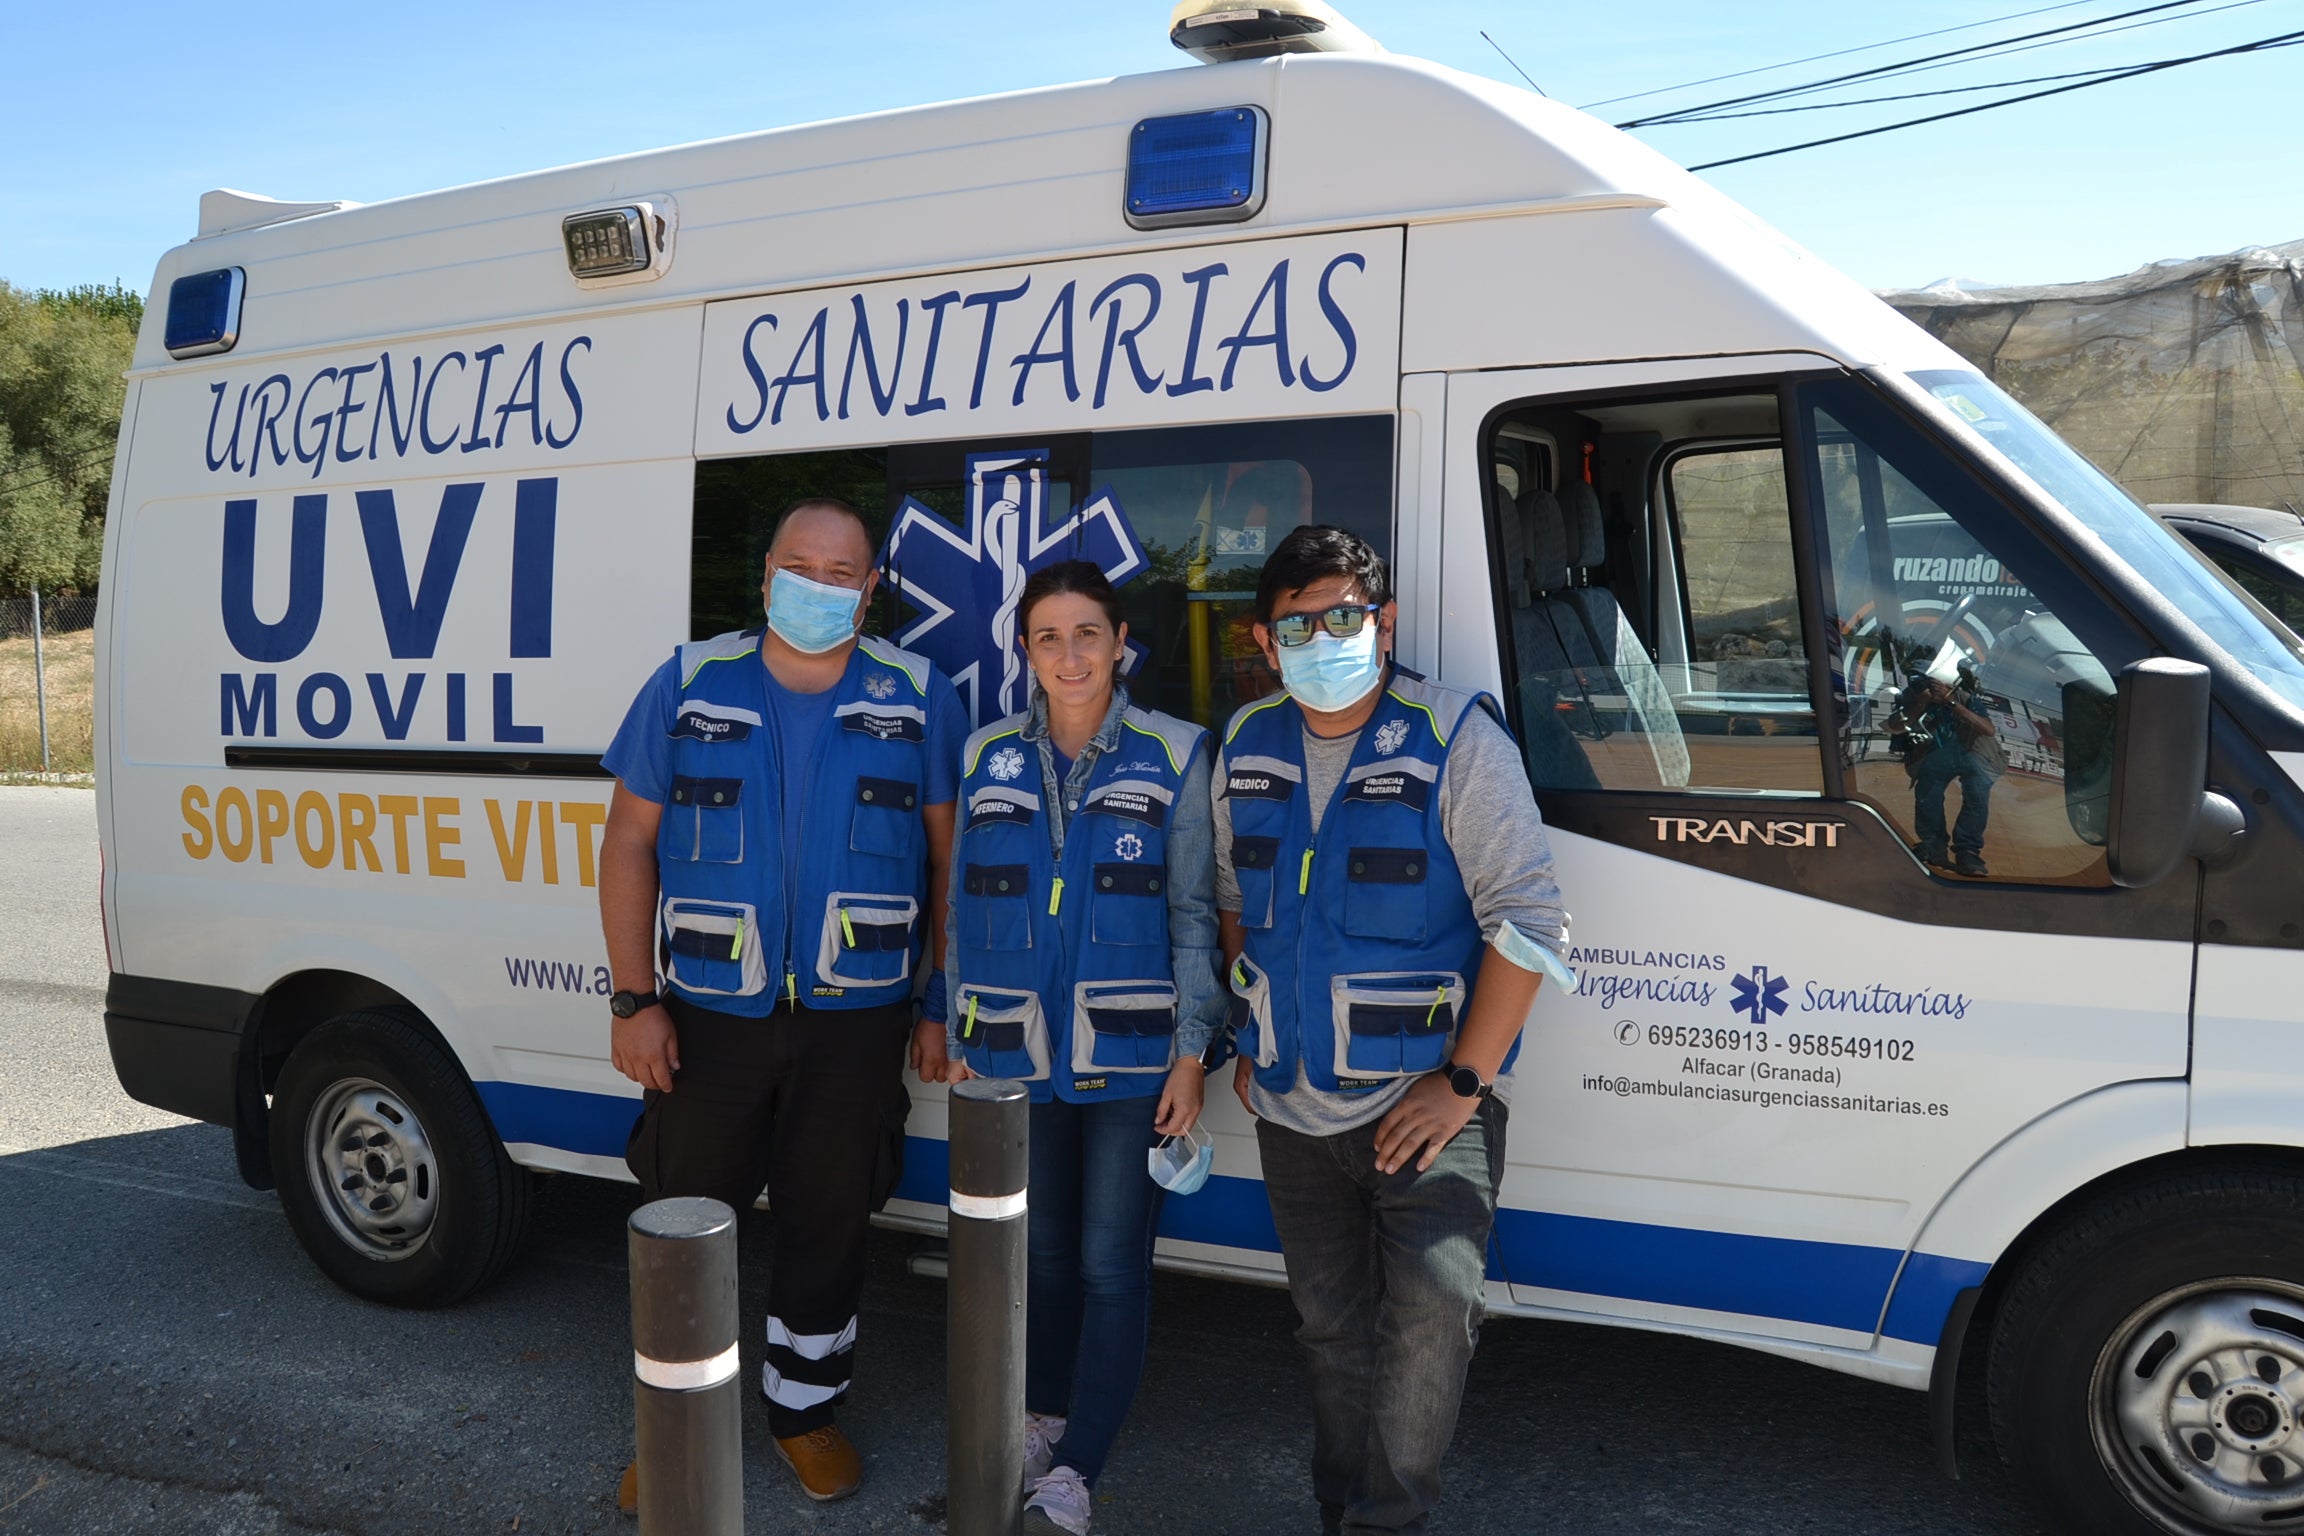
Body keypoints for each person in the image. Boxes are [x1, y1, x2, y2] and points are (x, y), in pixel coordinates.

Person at [596, 497, 967, 1505]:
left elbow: (951, 860)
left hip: (859, 1022)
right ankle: (672, 1421)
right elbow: (628, 843)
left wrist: (937, 1002)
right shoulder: (688, 684)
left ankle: (804, 1410)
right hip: (709, 1017)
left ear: (869, 589)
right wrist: (635, 1001)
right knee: (683, 1222)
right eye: (799, 566)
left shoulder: (920, 695)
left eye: (841, 572)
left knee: (830, 1220)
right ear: (765, 578)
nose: (818, 585)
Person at [1212, 525, 1571, 1536]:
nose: (1326, 637)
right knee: (1330, 1335)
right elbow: (1239, 902)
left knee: (1425, 1339)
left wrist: (1461, 1082)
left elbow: (1530, 922)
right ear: (1265, 637)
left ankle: (1386, 1524)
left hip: (1429, 1113)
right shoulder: (1246, 744)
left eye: (1345, 616)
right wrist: (1253, 1028)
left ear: (1384, 621)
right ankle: (1340, 1509)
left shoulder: (1454, 735)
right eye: (1300, 623)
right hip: (1292, 1111)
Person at [940, 560, 1222, 1536]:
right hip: (1014, 1055)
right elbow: (959, 908)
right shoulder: (984, 755)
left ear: (1120, 644)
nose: (1070, 654)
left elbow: (1194, 916)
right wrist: (959, 1020)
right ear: (1025, 650)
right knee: (1044, 1259)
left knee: (1111, 1264)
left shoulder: (1177, 753)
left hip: (1132, 1059)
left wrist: (1191, 1053)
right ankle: (1040, 1420)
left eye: (1088, 633)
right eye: (1049, 636)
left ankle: (1079, 1469)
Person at [1889, 666, 2002, 877]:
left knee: (1977, 793)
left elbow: (1988, 729)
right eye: (1921, 681)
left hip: (1972, 752)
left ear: (1946, 682)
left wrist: (1950, 702)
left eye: (1932, 682)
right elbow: (1896, 726)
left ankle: (1968, 851)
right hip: (1934, 753)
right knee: (1927, 797)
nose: (1927, 686)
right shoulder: (1911, 697)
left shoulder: (1962, 696)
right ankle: (1933, 847)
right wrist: (1922, 702)